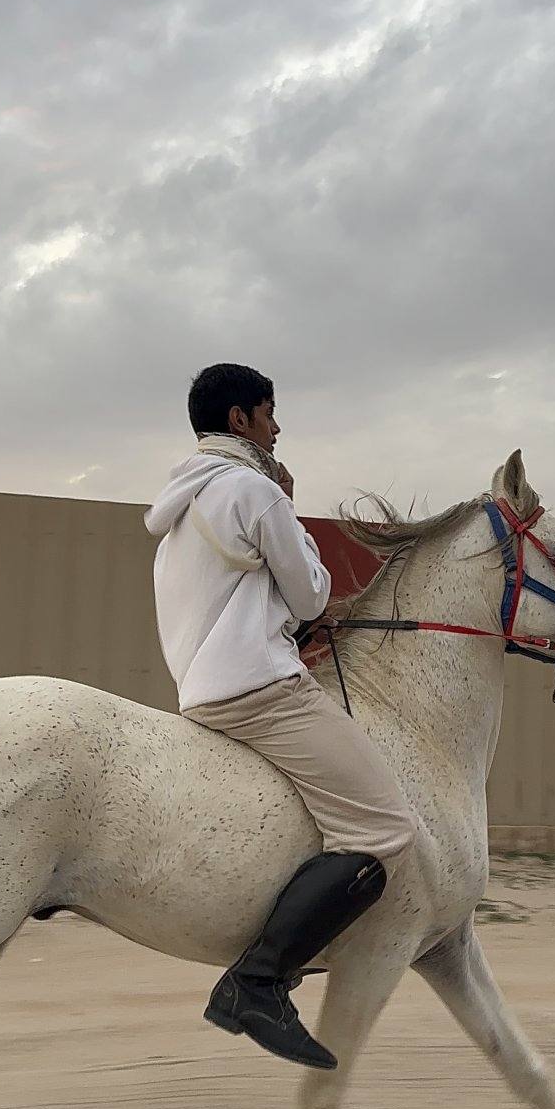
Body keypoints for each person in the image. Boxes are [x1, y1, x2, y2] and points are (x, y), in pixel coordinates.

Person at [144, 362, 415, 1070]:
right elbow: (312, 598)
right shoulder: (255, 491)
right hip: (261, 688)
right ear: (240, 420)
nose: (277, 426)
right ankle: (257, 981)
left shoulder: (179, 510)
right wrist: (287, 506)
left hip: (202, 689)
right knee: (386, 825)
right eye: (270, 412)